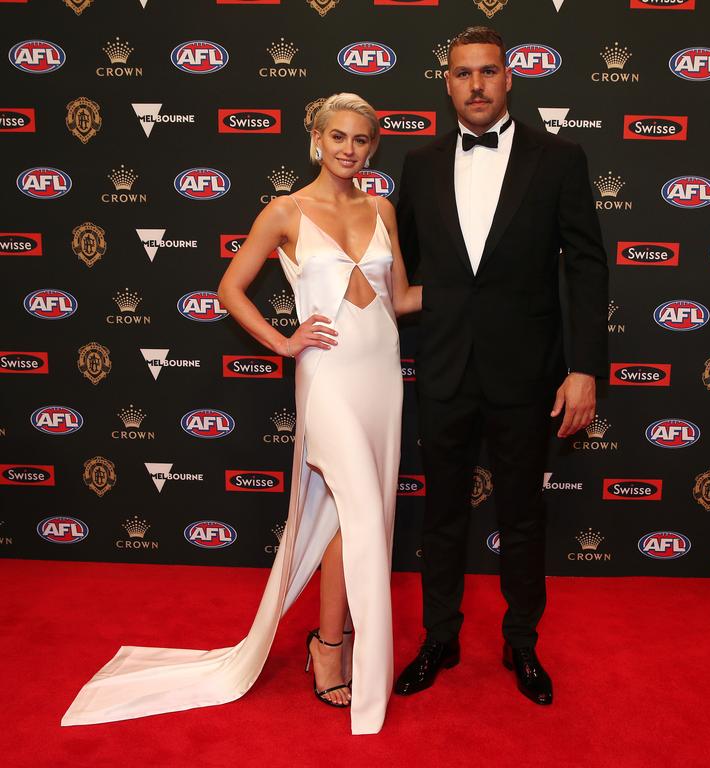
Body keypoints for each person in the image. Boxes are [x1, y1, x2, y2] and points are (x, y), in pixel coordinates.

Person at [60, 93, 421, 736]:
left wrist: (486, 283)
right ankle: (352, 668)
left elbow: (399, 298)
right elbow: (229, 288)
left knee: (355, 518)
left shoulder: (383, 209)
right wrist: (284, 342)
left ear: (373, 147)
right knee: (361, 513)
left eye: (361, 140)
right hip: (329, 378)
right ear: (315, 139)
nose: (348, 149)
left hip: (381, 374)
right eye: (337, 136)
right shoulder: (285, 211)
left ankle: (327, 645)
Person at [394, 27, 609, 705]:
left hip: (528, 371)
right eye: (463, 74)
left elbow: (585, 267)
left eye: (488, 72)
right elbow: (390, 259)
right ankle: (440, 637)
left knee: (522, 516)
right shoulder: (419, 164)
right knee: (442, 516)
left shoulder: (560, 159)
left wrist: (585, 368)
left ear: (509, 79)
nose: (476, 85)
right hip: (446, 364)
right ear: (447, 82)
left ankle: (522, 642)